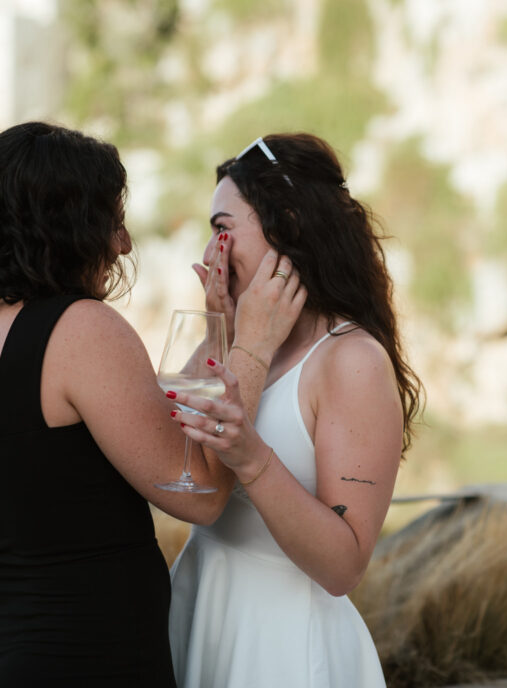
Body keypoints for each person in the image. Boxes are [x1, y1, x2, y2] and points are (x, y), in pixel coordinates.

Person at [0, 122, 303, 687]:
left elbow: (144, 418)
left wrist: (220, 332)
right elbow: (202, 492)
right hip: (88, 658)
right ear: (64, 224)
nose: (124, 244)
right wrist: (254, 346)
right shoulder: (80, 328)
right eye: (111, 222)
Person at [167, 133, 423, 688]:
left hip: (281, 643)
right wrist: (225, 329)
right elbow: (172, 459)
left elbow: (343, 566)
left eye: (224, 229)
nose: (214, 250)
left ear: (287, 226)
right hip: (203, 607)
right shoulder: (246, 339)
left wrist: (251, 457)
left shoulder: (350, 359)